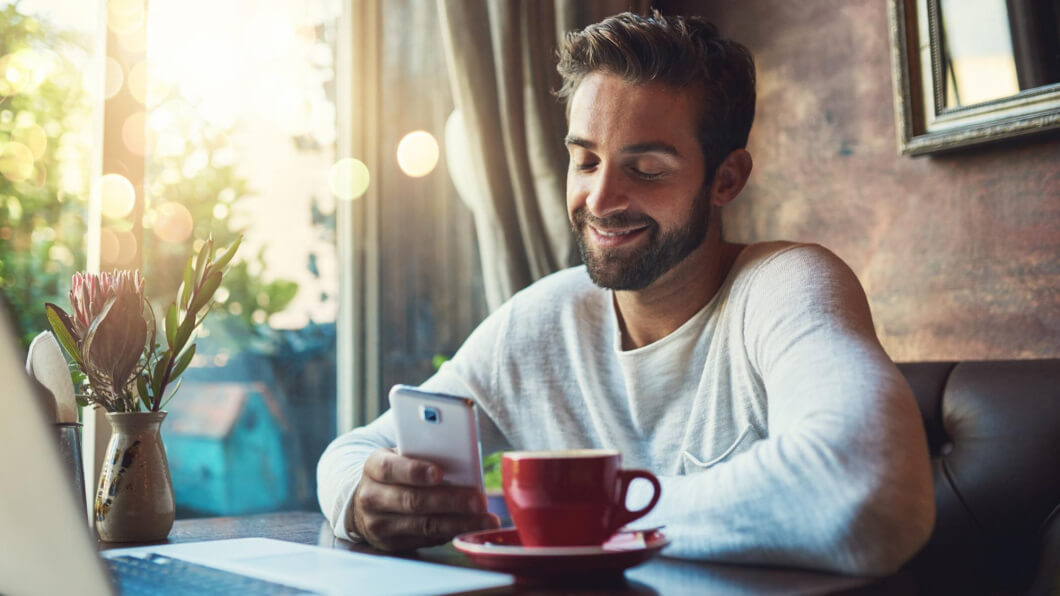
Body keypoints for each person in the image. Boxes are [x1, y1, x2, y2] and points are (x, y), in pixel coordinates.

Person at [317, 11, 935, 575]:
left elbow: (866, 490)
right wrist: (361, 497)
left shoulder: (787, 287)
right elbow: (355, 450)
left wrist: (589, 517)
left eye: (646, 170)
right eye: (585, 162)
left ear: (726, 179)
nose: (601, 200)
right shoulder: (545, 319)